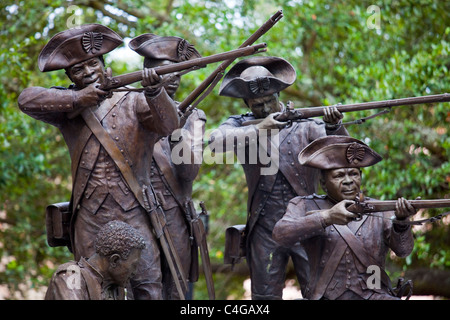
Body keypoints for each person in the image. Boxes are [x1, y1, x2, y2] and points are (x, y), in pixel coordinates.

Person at [18, 24, 180, 300]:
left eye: (93, 63)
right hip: (89, 218)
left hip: (135, 211)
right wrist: (78, 98)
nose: (88, 72)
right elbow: (26, 99)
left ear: (104, 64)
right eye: (77, 70)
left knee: (147, 284)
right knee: (91, 287)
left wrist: (155, 93)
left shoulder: (133, 99)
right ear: (69, 76)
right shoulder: (69, 105)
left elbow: (169, 126)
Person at [208, 56, 348, 299]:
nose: (264, 109)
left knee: (320, 292)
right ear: (247, 103)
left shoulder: (305, 125)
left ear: (279, 97)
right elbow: (215, 142)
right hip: (264, 228)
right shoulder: (241, 126)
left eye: (269, 101)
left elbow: (342, 154)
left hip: (308, 221)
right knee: (264, 297)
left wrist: (335, 126)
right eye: (257, 104)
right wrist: (262, 128)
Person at [272, 135, 416, 300]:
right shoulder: (304, 205)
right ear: (323, 183)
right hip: (325, 297)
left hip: (375, 294)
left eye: (353, 174)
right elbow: (279, 234)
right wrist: (327, 217)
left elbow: (403, 251)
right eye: (339, 175)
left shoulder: (380, 209)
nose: (348, 181)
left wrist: (402, 224)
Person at [129, 33, 207, 299]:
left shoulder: (193, 116)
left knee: (175, 291)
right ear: (147, 72)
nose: (174, 77)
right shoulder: (128, 106)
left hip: (175, 216)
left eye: (179, 72)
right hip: (134, 212)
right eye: (166, 70)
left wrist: (176, 131)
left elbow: (189, 171)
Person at [45, 220, 146, 300]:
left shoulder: (115, 287)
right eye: (134, 265)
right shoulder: (70, 276)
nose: (134, 272)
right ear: (114, 260)